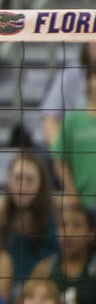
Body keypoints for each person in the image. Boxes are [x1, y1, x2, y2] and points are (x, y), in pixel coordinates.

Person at [0, 152, 60, 286]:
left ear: (41, 183)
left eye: (29, 179)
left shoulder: (55, 212)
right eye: (18, 178)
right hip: (8, 288)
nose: (22, 186)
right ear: (9, 180)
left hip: (46, 287)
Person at [30, 204, 96, 304]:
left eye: (77, 226)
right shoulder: (44, 269)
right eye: (63, 226)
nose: (68, 233)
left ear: (91, 233)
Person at [52, 63, 96, 212]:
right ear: (88, 82)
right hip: (82, 203)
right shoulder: (72, 120)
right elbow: (59, 159)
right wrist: (72, 194)